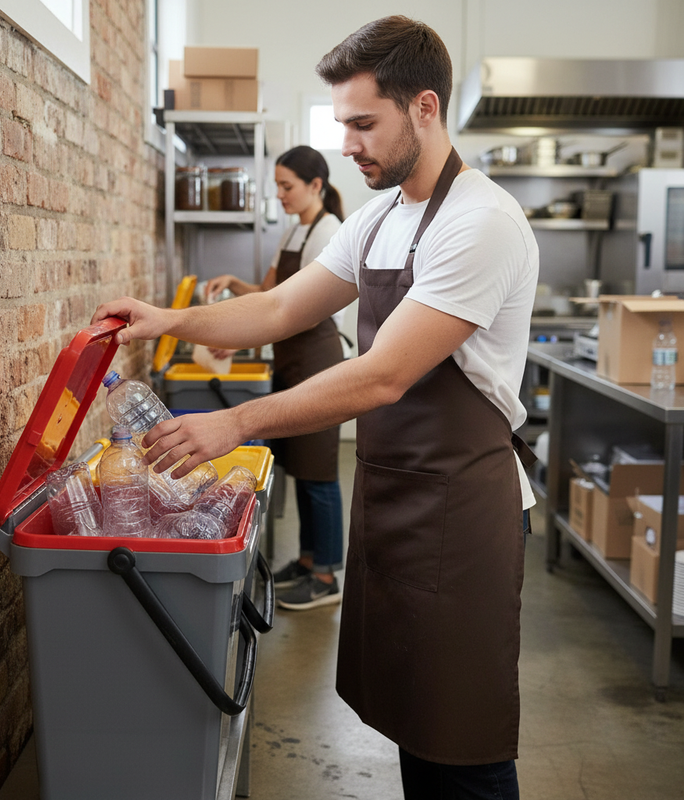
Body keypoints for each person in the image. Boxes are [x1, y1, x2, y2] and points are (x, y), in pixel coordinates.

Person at [92, 15, 539, 800]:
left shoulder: (481, 222)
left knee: (460, 740)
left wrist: (230, 423)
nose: (349, 145)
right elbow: (278, 311)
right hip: (395, 494)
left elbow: (382, 377)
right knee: (415, 725)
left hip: (462, 509)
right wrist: (171, 320)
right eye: (343, 125)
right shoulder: (379, 216)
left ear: (425, 108)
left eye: (365, 123)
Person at [205, 145, 346, 611]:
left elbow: (295, 312)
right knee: (301, 470)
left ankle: (326, 576)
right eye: (278, 186)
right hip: (291, 362)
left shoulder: (329, 231)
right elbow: (270, 295)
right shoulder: (295, 229)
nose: (280, 195)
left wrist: (239, 340)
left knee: (319, 472)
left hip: (317, 361)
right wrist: (231, 282)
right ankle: (307, 561)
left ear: (315, 186)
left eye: (287, 186)